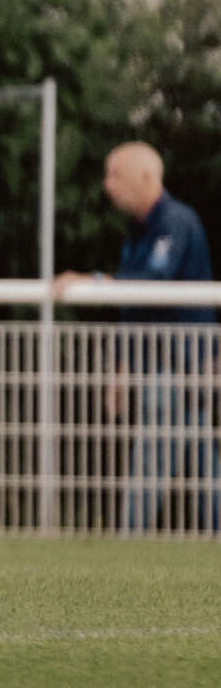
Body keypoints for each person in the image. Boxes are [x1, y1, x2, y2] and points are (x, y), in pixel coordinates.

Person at [57, 143, 217, 531]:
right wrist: (123, 366)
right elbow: (137, 305)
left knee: (156, 456)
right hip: (167, 365)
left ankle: (129, 538)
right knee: (203, 461)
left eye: (116, 175)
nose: (107, 185)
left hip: (179, 366)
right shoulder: (140, 228)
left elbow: (152, 282)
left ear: (147, 177)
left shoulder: (175, 221)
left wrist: (94, 280)